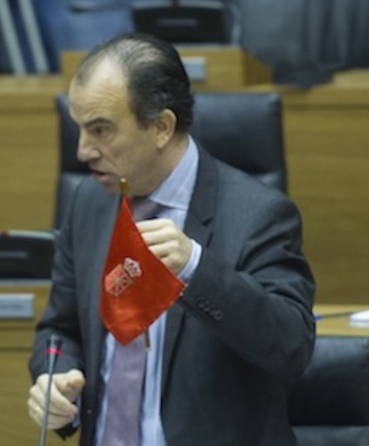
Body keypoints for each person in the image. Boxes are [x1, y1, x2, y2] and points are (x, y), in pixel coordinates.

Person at [27, 32, 315, 446]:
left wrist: (196, 267)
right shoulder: (89, 203)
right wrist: (56, 378)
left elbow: (292, 347)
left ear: (161, 127)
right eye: (79, 128)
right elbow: (59, 329)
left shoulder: (259, 215)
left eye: (101, 130)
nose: (82, 151)